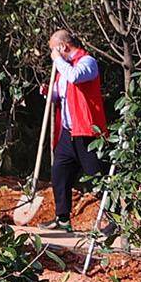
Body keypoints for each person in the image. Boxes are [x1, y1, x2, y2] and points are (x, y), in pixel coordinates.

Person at [44, 29, 105, 231]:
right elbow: (61, 95)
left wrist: (58, 60)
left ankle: (115, 219)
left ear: (63, 46)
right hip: (68, 131)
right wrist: (48, 93)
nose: (52, 54)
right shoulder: (65, 68)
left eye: (53, 49)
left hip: (86, 131)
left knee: (95, 176)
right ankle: (62, 218)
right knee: (59, 172)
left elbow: (75, 78)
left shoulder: (87, 62)